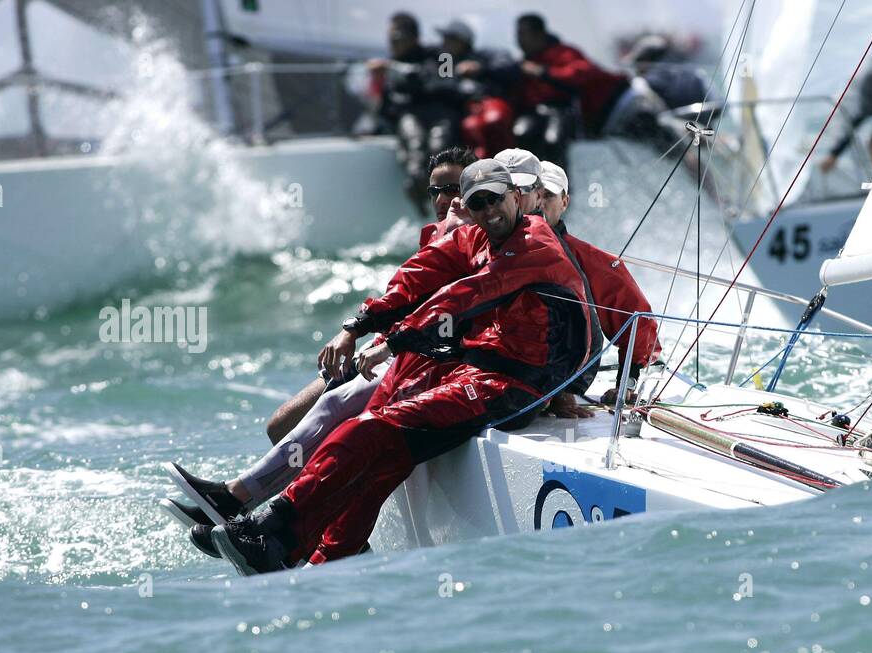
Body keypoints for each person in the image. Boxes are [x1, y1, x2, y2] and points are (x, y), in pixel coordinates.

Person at [192, 159, 596, 574]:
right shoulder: (474, 236)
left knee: (368, 428)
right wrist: (359, 325)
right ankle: (315, 558)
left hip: (518, 387)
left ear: (515, 197)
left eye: (496, 198)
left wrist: (390, 342)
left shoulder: (535, 244)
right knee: (385, 458)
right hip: (476, 370)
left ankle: (270, 527)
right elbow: (418, 275)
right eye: (477, 203)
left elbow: (466, 294)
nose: (489, 210)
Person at [160, 148, 478, 535]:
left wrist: (363, 335)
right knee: (282, 424)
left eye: (456, 188)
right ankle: (263, 518)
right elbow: (406, 297)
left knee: (334, 409)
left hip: (430, 362)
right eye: (437, 191)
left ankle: (251, 510)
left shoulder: (479, 237)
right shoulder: (437, 235)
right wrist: (363, 337)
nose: (446, 199)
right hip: (392, 350)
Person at [535, 160, 660, 415]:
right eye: (533, 194)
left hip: (552, 389)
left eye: (547, 195)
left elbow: (638, 319)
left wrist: (627, 383)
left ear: (565, 202)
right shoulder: (482, 244)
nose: (539, 202)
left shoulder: (590, 259)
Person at [371, 13, 466, 210]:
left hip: (440, 113)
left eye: (397, 38)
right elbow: (387, 106)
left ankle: (449, 199)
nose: (393, 44)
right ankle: (423, 201)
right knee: (415, 151)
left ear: (413, 37)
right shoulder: (391, 67)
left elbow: (446, 83)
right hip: (410, 115)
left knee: (438, 147)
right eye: (390, 40)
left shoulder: (440, 55)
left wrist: (397, 70)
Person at [509, 13, 632, 165]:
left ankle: (559, 186)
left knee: (552, 140)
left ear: (538, 34)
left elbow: (581, 74)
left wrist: (543, 72)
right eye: (518, 34)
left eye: (523, 34)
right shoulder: (523, 62)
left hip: (565, 111)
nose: (519, 40)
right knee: (520, 135)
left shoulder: (564, 52)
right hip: (535, 114)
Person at [438, 20, 518, 157]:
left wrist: (480, 69)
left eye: (450, 39)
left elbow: (509, 69)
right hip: (462, 113)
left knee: (494, 119)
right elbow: (439, 85)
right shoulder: (443, 62)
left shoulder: (485, 55)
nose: (445, 43)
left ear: (463, 41)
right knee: (468, 127)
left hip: (488, 106)